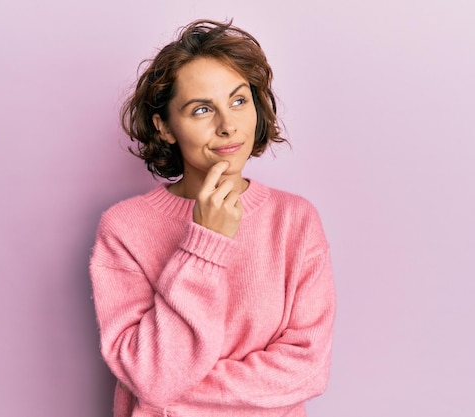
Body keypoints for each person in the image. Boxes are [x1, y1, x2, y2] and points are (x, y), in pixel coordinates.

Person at [89, 19, 336, 417]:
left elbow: (306, 370)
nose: (227, 126)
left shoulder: (296, 221)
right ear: (164, 126)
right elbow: (151, 376)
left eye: (239, 101)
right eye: (201, 109)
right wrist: (205, 244)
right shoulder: (124, 229)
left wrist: (171, 392)